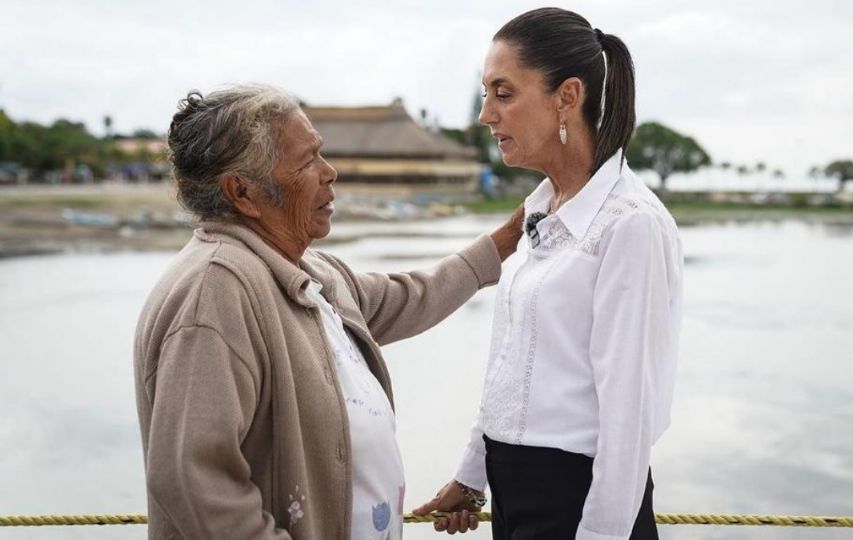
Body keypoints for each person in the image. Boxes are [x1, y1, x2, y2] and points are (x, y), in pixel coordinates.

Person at [133, 84, 523, 539]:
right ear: (242, 192)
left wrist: (505, 242)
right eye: (307, 162)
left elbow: (408, 296)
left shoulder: (311, 272)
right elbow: (193, 481)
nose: (330, 172)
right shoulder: (215, 291)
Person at [413, 8, 683, 540]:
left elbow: (627, 419)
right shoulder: (540, 212)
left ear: (567, 96)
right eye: (486, 93)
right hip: (515, 492)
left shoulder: (630, 226)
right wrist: (472, 474)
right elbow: (509, 365)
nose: (486, 115)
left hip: (579, 502)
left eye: (504, 93)